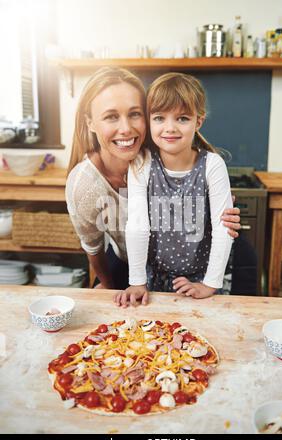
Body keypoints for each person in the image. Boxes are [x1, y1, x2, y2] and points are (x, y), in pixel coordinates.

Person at [66, 67, 240, 292]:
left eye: (134, 114)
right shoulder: (87, 182)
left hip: (203, 263)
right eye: (111, 116)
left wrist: (216, 210)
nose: (126, 129)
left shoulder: (166, 150)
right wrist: (110, 285)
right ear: (90, 122)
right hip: (141, 268)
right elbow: (95, 246)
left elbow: (219, 224)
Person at [115, 73, 234, 306]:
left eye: (182, 118)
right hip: (154, 280)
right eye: (159, 118)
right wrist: (137, 281)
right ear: (149, 121)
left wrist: (209, 284)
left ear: (198, 121)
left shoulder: (213, 164)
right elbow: (137, 223)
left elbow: (223, 228)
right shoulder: (142, 163)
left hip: (202, 279)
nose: (170, 128)